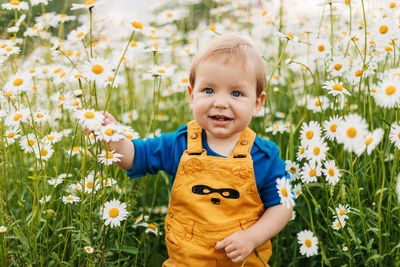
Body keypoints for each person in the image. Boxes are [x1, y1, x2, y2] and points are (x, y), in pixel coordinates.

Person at [100, 34, 293, 266]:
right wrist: (112, 136)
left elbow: (283, 207)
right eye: (209, 90)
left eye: (236, 93)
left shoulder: (264, 156)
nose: (220, 102)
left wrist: (252, 237)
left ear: (257, 103)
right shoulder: (179, 144)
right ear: (192, 96)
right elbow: (132, 157)